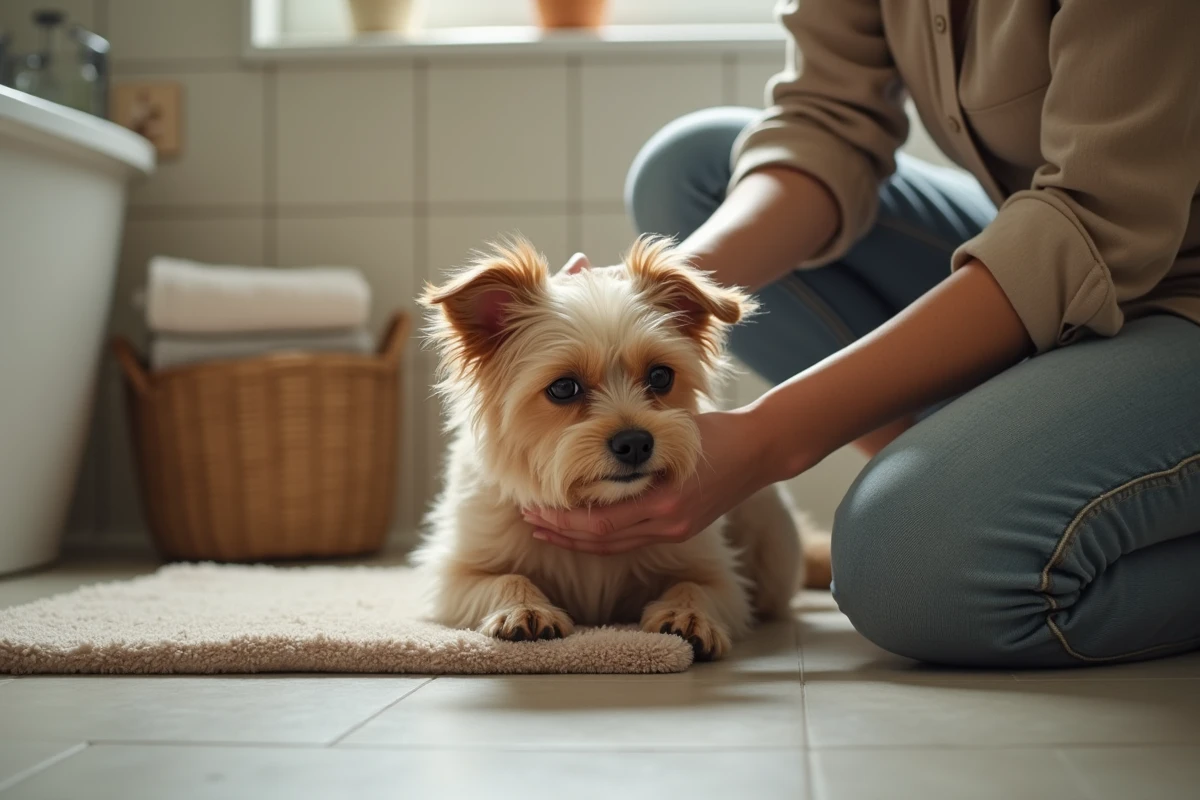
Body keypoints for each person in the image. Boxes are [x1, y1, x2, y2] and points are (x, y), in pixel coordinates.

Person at [523, 0, 1200, 668]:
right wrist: (647, 298)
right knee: (690, 173)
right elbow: (829, 123)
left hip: (1164, 274)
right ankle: (968, 476)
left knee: (899, 567)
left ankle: (966, 504)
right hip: (1051, 235)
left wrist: (770, 440)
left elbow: (1097, 218)